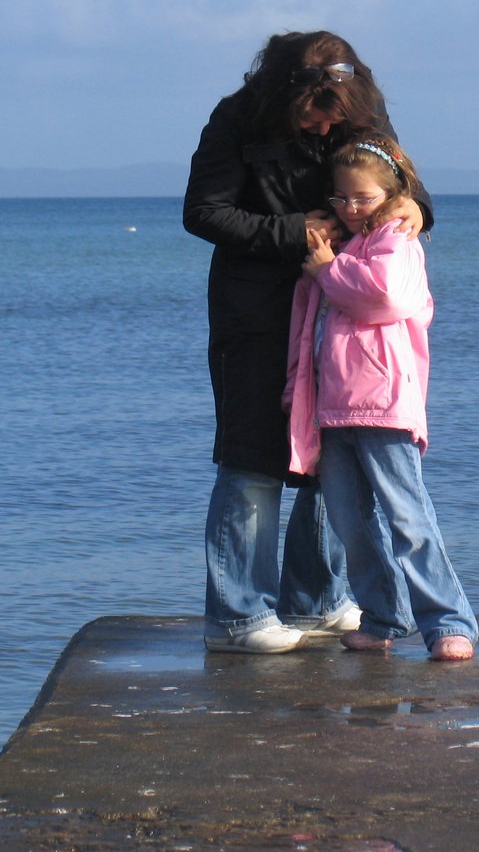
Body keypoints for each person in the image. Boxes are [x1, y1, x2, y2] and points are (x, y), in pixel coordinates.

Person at [184, 32, 432, 654]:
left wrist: (419, 210)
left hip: (338, 313)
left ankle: (315, 599)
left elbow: (398, 182)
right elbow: (203, 212)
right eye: (313, 117)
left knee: (333, 455)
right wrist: (294, 230)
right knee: (253, 457)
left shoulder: (361, 110)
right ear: (283, 97)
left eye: (336, 119)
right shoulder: (236, 117)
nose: (325, 130)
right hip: (257, 310)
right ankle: (236, 614)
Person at [284, 136, 477, 661]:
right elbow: (309, 329)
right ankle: (384, 614)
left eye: (362, 198)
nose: (350, 208)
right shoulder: (340, 247)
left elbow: (384, 298)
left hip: (386, 403)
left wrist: (327, 271)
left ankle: (449, 622)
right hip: (334, 406)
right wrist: (296, 392)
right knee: (351, 523)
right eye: (342, 198)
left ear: (391, 195)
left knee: (407, 518)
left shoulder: (398, 241)